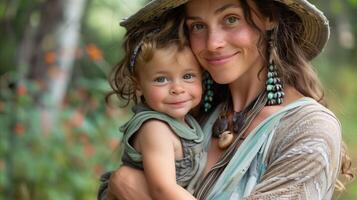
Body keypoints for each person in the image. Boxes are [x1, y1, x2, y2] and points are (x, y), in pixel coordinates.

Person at [100, 0, 354, 199]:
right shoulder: (192, 112)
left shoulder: (307, 128)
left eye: (231, 19)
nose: (213, 43)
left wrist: (129, 186)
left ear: (269, 18)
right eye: (198, 26)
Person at [99, 15, 207, 200]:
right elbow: (162, 189)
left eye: (188, 76)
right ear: (138, 85)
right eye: (161, 79)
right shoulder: (156, 129)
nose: (178, 89)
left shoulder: (187, 122)